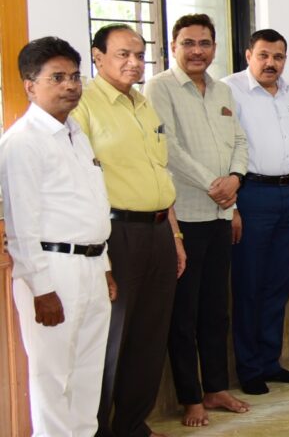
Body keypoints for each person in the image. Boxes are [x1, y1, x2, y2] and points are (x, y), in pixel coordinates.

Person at [72, 24, 186, 437]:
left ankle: (133, 425)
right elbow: (80, 181)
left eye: (139, 54)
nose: (134, 62)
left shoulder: (143, 103)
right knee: (111, 340)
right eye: (123, 54)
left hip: (157, 231)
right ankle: (98, 430)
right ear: (97, 56)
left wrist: (174, 236)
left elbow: (161, 174)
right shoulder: (82, 104)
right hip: (115, 235)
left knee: (149, 338)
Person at [0, 37, 115, 436]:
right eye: (57, 78)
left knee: (87, 376)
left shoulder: (74, 132)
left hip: (90, 266)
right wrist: (41, 288)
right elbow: (22, 225)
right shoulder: (22, 141)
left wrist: (104, 267)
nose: (70, 85)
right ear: (30, 86)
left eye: (74, 76)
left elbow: (90, 208)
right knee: (52, 380)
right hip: (53, 273)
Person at [146, 14, 250, 427]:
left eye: (205, 43)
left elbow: (240, 140)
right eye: (188, 43)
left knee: (215, 310)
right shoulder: (159, 88)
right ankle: (191, 397)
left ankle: (216, 387)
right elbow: (166, 146)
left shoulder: (222, 89)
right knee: (184, 313)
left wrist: (236, 179)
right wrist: (213, 183)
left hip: (220, 214)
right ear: (173, 47)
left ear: (214, 48)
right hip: (183, 216)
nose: (197, 51)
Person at [222, 29, 289, 395]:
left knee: (278, 284)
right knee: (249, 285)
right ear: (248, 55)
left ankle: (270, 361)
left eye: (278, 56)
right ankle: (248, 368)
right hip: (251, 194)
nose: (270, 63)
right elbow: (225, 148)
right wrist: (233, 207)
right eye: (263, 55)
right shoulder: (229, 90)